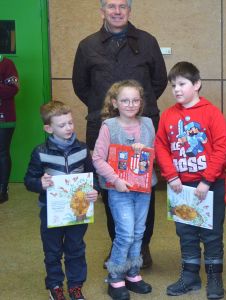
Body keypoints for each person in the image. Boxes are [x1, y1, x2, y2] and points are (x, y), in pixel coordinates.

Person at [72, 0, 168, 268]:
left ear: (129, 10)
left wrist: (134, 110)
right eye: (111, 6)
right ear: (102, 10)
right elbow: (81, 86)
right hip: (103, 125)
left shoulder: (148, 42)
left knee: (143, 187)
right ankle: (119, 244)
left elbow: (159, 81)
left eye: (122, 6)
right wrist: (108, 110)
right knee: (112, 189)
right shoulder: (87, 45)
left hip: (141, 126)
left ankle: (142, 246)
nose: (117, 11)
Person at [154, 61, 226, 299]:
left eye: (182, 84)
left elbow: (221, 148)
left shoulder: (211, 112)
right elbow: (161, 147)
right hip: (180, 186)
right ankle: (190, 276)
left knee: (211, 232)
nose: (176, 89)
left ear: (197, 84)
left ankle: (214, 277)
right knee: (186, 231)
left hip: (209, 185)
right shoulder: (167, 116)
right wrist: (171, 176)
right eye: (173, 85)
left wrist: (207, 181)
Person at [24, 101, 99, 300]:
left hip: (78, 211)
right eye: (62, 125)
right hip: (51, 211)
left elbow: (93, 177)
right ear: (49, 128)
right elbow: (29, 180)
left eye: (70, 123)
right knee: (53, 250)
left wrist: (95, 191)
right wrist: (39, 182)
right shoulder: (40, 152)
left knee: (76, 248)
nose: (68, 128)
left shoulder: (82, 149)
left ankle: (75, 285)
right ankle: (55, 285)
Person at [92, 80, 156, 300]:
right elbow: (98, 158)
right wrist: (115, 179)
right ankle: (115, 277)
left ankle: (132, 273)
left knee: (139, 232)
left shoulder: (147, 123)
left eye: (135, 100)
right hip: (119, 190)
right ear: (114, 102)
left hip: (143, 189)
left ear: (141, 102)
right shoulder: (109, 126)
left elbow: (153, 153)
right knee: (125, 233)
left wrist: (146, 150)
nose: (131, 104)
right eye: (125, 100)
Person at [0, 55, 19, 203]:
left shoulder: (6, 63)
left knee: (2, 153)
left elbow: (12, 89)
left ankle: (2, 190)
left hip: (4, 118)